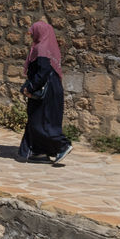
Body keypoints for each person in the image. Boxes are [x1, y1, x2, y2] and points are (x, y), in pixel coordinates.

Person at [18, 20, 73, 164]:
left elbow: (43, 72)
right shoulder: (48, 47)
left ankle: (62, 145)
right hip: (52, 89)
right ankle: (38, 150)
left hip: (45, 91)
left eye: (33, 32)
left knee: (41, 122)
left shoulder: (41, 48)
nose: (31, 35)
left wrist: (29, 88)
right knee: (37, 120)